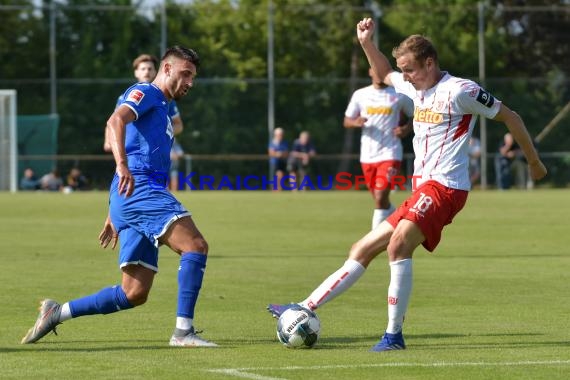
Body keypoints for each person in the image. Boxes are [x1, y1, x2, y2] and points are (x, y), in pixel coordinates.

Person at [267, 18, 547, 352]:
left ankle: (393, 336)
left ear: (430, 63)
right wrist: (367, 43)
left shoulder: (461, 91)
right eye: (404, 69)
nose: (405, 76)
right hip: (422, 190)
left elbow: (511, 116)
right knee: (360, 249)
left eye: (410, 69)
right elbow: (385, 72)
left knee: (398, 246)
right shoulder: (413, 86)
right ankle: (304, 307)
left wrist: (533, 162)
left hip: (446, 188)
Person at [21, 46, 217, 347]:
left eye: (193, 77)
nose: (190, 82)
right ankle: (183, 333)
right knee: (196, 246)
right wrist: (123, 165)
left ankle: (57, 313)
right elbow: (115, 122)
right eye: (185, 74)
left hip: (131, 195)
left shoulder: (163, 107)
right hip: (141, 188)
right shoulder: (146, 92)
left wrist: (115, 209)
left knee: (134, 293)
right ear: (166, 69)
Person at [344, 69, 414, 229]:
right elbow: (347, 120)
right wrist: (356, 122)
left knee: (381, 195)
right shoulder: (360, 95)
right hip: (367, 155)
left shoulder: (398, 94)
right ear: (370, 72)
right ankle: (397, 217)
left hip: (391, 152)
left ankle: (374, 237)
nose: (379, 74)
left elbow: (415, 115)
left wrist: (406, 129)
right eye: (376, 71)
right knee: (379, 199)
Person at [104, 54, 185, 152]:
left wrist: (160, 133)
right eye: (143, 69)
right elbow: (114, 121)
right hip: (131, 153)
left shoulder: (165, 98)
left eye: (150, 69)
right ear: (136, 72)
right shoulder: (124, 98)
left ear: (155, 72)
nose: (147, 71)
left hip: (154, 154)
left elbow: (178, 125)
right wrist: (108, 141)